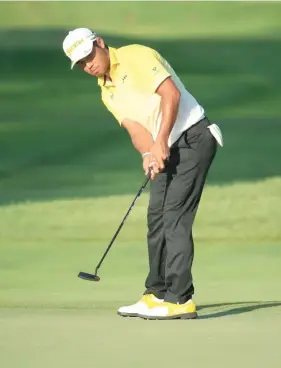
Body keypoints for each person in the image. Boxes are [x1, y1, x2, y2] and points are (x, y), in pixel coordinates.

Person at [62, 28, 223, 320]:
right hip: (167, 147)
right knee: (156, 219)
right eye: (81, 64)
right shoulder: (105, 90)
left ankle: (180, 299)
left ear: (99, 43)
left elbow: (170, 95)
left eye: (88, 56)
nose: (89, 66)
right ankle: (156, 293)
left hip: (193, 138)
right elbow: (134, 128)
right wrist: (149, 153)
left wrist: (161, 140)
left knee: (174, 217)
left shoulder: (136, 56)